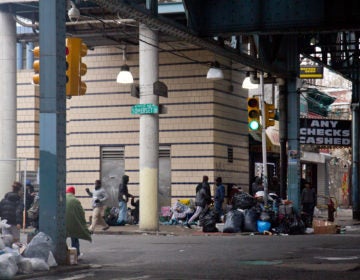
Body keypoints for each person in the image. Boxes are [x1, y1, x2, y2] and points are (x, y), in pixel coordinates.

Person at [65, 186, 92, 258]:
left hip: (63, 224)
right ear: (73, 193)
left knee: (63, 238)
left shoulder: (62, 199)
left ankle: (64, 253)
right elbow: (81, 212)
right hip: (73, 224)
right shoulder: (75, 200)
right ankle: (76, 254)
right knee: (75, 237)